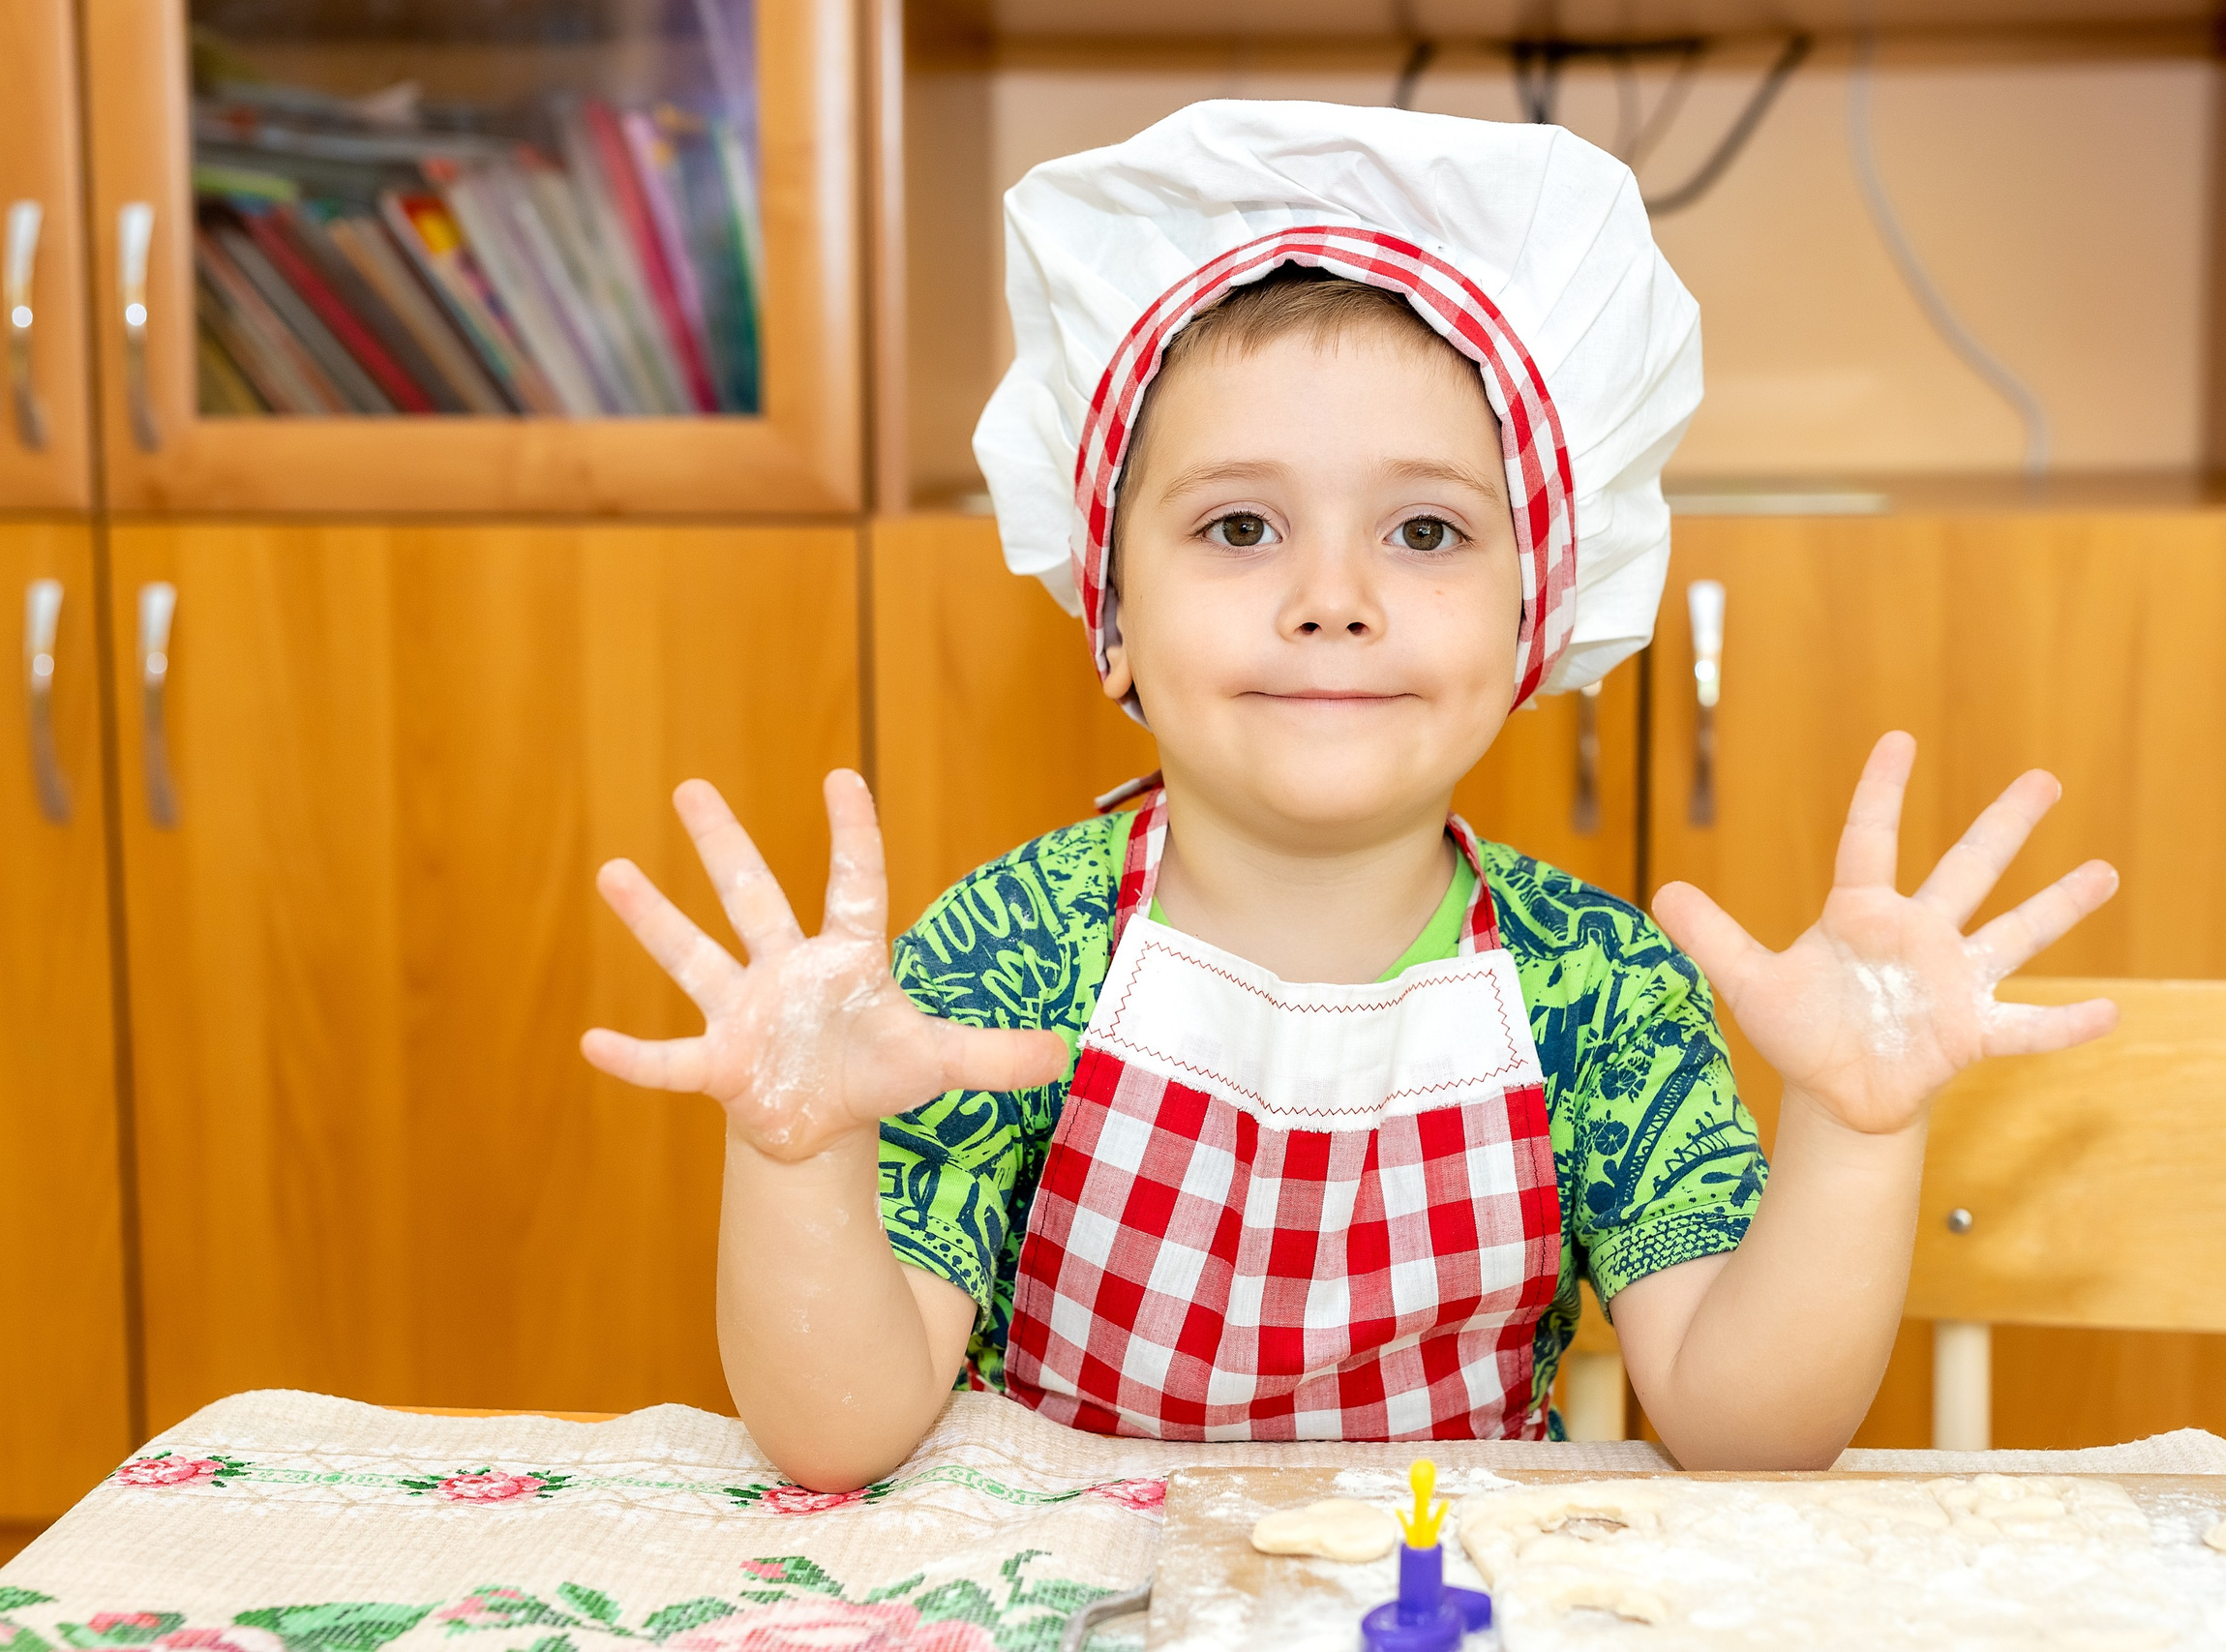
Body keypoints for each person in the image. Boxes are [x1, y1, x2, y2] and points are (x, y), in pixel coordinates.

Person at [581, 102, 2120, 1489]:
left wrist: (1854, 1133)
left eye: (1428, 535)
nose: (1331, 597)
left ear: (1541, 620)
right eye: (1241, 526)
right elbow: (835, 1433)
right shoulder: (1012, 947)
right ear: (1108, 616)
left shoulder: (1599, 988)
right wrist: (796, 1159)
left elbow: (1743, 1431)